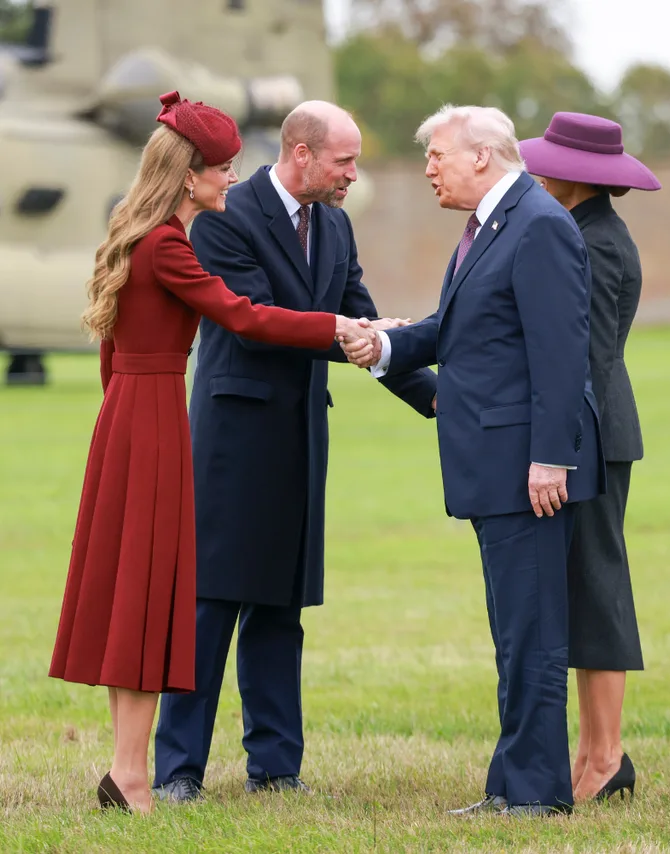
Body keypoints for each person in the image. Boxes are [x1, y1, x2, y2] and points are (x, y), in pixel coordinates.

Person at [47, 91, 364, 813]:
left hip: (130, 411)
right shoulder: (168, 244)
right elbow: (240, 315)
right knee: (160, 595)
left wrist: (123, 416)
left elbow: (110, 354)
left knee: (141, 596)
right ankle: (139, 772)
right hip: (156, 418)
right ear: (190, 175)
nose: (231, 178)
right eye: (222, 168)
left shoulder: (136, 233)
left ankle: (129, 773)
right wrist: (338, 328)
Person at [151, 102, 438, 802]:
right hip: (232, 439)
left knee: (281, 607)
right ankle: (177, 770)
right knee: (210, 605)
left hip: (302, 437)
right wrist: (347, 327)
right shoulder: (225, 218)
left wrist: (438, 400)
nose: (352, 175)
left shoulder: (335, 225)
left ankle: (276, 769)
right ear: (302, 154)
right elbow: (251, 324)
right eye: (344, 161)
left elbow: (364, 329)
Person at [344, 104, 604, 816]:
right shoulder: (493, 224)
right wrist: (385, 348)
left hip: (527, 470)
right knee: (515, 634)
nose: (427, 167)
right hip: (494, 466)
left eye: (438, 155)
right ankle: (514, 784)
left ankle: (534, 794)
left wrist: (550, 458)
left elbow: (560, 353)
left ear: (483, 156)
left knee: (533, 636)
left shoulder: (539, 224)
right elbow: (459, 331)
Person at [518, 112, 659, 802]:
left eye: (548, 162)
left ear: (577, 176)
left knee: (599, 590)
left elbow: (584, 357)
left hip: (593, 437)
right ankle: (592, 752)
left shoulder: (597, 242)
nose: (537, 170)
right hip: (586, 434)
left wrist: (563, 448)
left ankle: (607, 757)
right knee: (582, 588)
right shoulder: (580, 229)